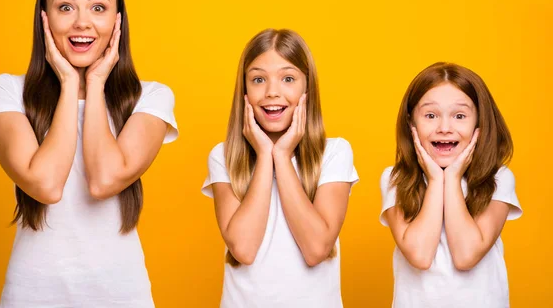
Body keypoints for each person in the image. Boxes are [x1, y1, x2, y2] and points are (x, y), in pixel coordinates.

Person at [0, 0, 178, 307]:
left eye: (98, 8)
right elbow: (46, 185)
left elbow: (103, 181)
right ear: (44, 20)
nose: (82, 22)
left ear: (117, 22)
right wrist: (70, 83)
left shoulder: (151, 98)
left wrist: (95, 82)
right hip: (32, 293)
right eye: (65, 7)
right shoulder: (5, 91)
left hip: (121, 293)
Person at [202, 29, 358, 307]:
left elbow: (316, 249)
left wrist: (283, 156)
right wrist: (265, 155)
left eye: (288, 79)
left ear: (307, 88)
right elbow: (244, 249)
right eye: (258, 79)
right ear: (244, 90)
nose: (272, 92)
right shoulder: (223, 156)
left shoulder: (334, 152)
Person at [380, 62, 522, 308]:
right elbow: (420, 256)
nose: (444, 128)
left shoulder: (498, 179)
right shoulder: (395, 178)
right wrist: (436, 179)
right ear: (411, 123)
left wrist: (453, 178)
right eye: (431, 116)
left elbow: (466, 255)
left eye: (459, 116)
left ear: (480, 123)